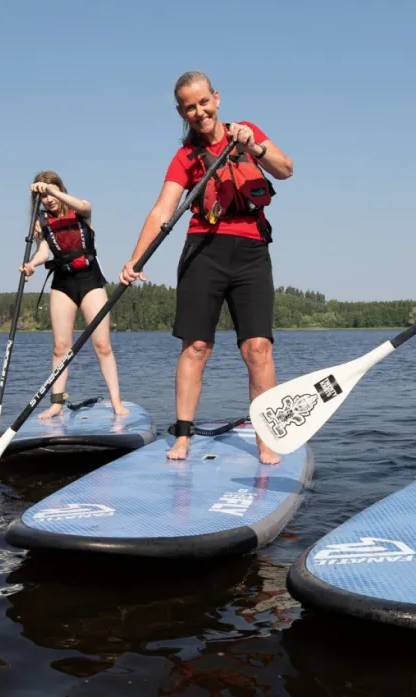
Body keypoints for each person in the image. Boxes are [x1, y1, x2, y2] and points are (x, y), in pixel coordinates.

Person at [120, 70, 294, 463]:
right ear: (183, 114)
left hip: (251, 252)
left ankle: (266, 438)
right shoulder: (185, 157)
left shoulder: (246, 133)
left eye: (203, 103)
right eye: (189, 108)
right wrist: (135, 258)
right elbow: (162, 210)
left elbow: (286, 169)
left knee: (258, 348)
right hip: (204, 252)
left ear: (216, 98)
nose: (199, 112)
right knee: (196, 346)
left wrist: (256, 148)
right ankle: (183, 435)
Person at [21, 170, 128, 419]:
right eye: (43, 195)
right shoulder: (42, 223)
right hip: (63, 283)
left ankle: (116, 401)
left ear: (60, 189)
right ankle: (56, 403)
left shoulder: (82, 210)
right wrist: (31, 265)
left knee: (102, 345)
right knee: (60, 347)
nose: (48, 199)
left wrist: (50, 190)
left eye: (52, 191)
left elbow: (82, 205)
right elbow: (43, 252)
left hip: (90, 281)